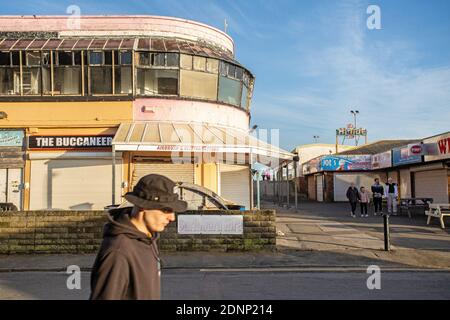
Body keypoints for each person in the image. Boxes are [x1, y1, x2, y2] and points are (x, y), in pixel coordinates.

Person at [90, 174, 187, 300]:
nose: (172, 218)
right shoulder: (118, 251)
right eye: (166, 210)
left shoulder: (148, 239)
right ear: (143, 206)